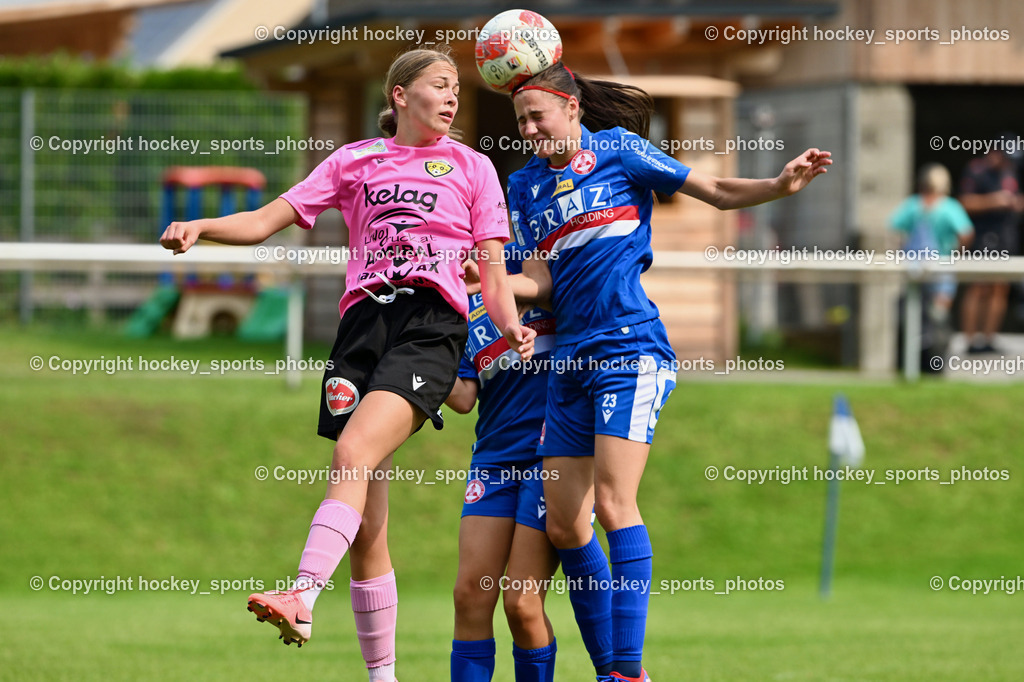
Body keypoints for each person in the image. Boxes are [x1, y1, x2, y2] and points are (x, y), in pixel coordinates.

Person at [159, 47, 536, 682]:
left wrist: (509, 325)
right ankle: (381, 677)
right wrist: (201, 226)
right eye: (439, 86)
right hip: (361, 332)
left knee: (353, 453)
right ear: (398, 94)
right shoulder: (353, 160)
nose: (451, 97)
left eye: (455, 89)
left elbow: (494, 271)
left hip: (428, 329)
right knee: (366, 526)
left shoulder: (472, 167)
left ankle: (302, 594)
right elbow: (262, 220)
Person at [500, 62, 831, 682]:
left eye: (537, 114)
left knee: (612, 501)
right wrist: (496, 285)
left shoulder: (621, 152)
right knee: (566, 522)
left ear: (572, 109)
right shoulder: (524, 186)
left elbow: (716, 191)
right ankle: (615, 666)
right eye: (519, 120)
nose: (527, 127)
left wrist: (779, 185)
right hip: (568, 359)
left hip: (628, 348)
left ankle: (625, 671)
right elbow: (544, 278)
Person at [445, 247, 561, 682]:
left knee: (522, 603)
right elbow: (462, 396)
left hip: (556, 453)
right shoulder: (456, 290)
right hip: (494, 458)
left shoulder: (535, 263)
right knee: (470, 594)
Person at [889, 163, 973, 366]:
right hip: (942, 269)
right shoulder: (949, 207)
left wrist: (901, 251)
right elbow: (966, 233)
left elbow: (893, 229)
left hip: (913, 269)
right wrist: (957, 253)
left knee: (913, 316)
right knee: (938, 317)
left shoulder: (913, 205)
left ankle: (911, 363)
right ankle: (935, 364)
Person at [958, 134, 1023, 354]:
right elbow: (964, 202)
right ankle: (970, 341)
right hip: (983, 236)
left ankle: (988, 339)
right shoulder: (976, 170)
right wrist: (994, 201)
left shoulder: (1010, 171)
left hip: (1006, 236)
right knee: (979, 286)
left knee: (1000, 287)